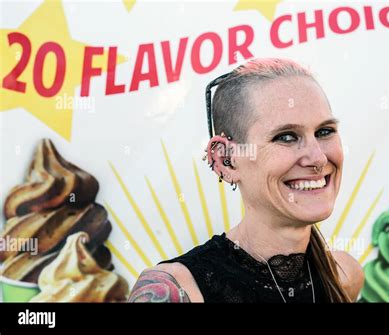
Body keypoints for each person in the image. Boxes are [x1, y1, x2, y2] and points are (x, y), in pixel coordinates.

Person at [128, 58, 364, 303]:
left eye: (324, 131)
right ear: (225, 160)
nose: (317, 158)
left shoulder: (344, 275)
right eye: (286, 137)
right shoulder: (178, 290)